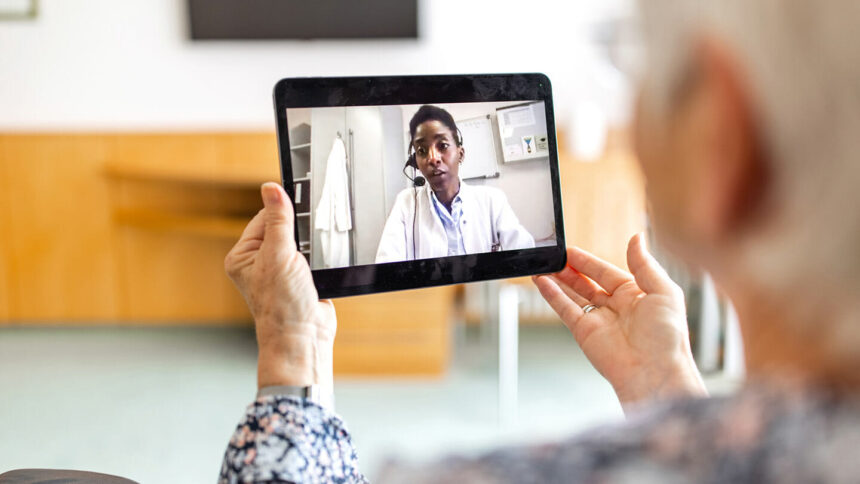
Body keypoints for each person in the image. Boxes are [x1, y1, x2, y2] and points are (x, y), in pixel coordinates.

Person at [220, 0, 860, 482]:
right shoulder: (403, 209)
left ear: (722, 139)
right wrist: (665, 384)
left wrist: (291, 346)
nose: (432, 156)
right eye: (420, 149)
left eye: (634, 66)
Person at [375, 105, 535, 263]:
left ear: (460, 153)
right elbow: (386, 266)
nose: (432, 158)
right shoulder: (406, 203)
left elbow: (526, 258)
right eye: (422, 150)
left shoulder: (492, 200)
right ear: (415, 162)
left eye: (443, 146)